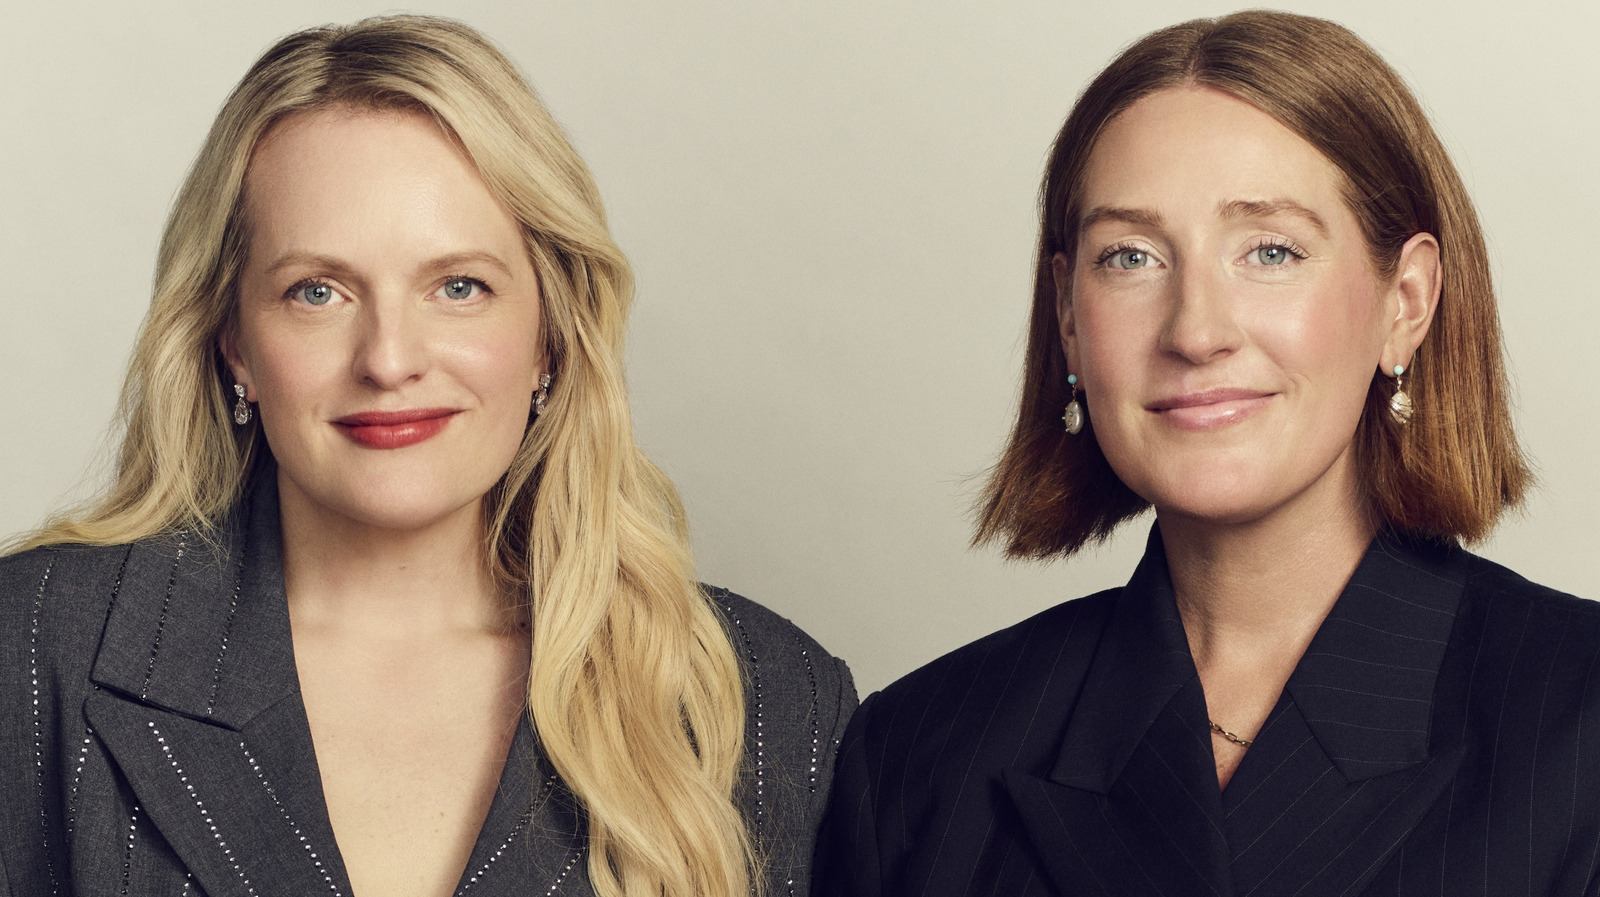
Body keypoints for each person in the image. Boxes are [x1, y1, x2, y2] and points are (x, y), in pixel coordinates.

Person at [0, 15, 853, 897]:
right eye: (317, 291)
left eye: (459, 286)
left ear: (550, 335)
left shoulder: (769, 701)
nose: (389, 359)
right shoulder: (30, 650)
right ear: (233, 342)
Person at [813, 10, 1600, 897]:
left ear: (1406, 302)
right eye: (1131, 257)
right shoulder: (917, 756)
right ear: (1068, 317)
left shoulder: (1578, 722)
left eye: (1270, 250)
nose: (1194, 330)